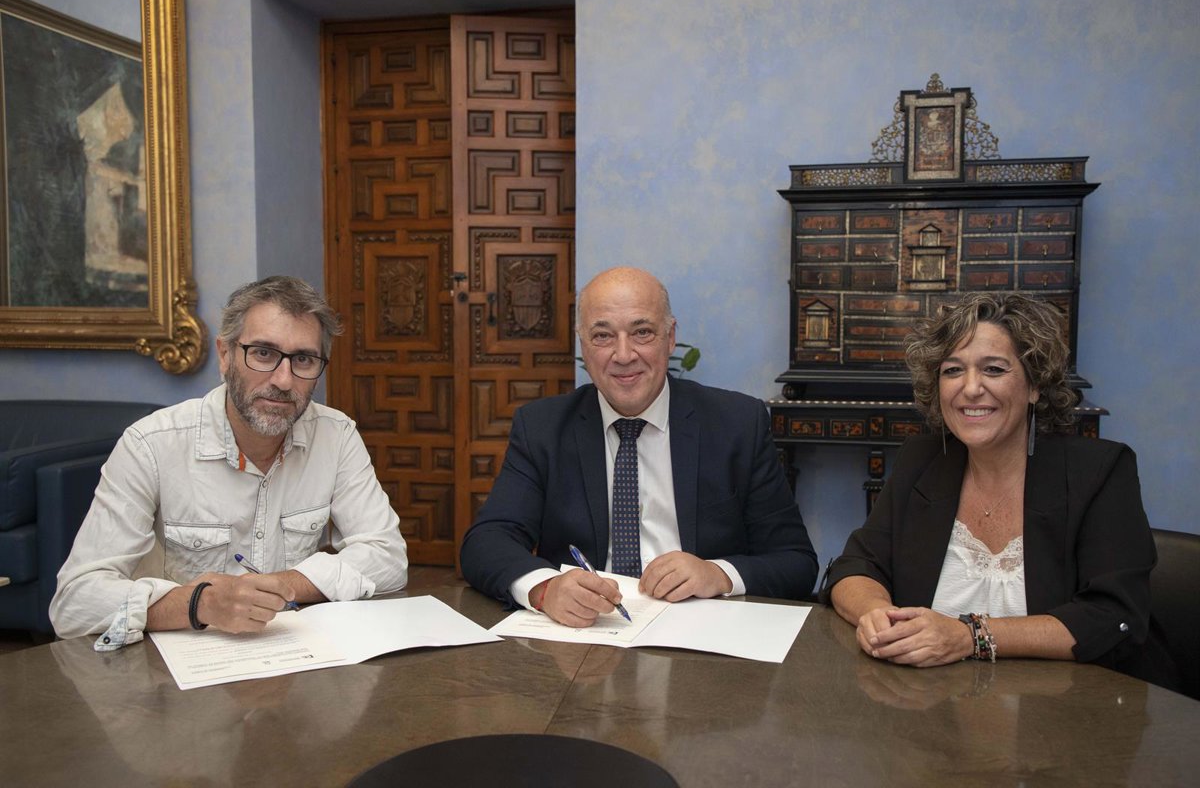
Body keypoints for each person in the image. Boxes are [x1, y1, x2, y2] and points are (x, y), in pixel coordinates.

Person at [824, 292, 1174, 685]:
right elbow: (856, 566)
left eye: (993, 369)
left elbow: (1114, 617)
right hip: (929, 706)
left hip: (1068, 709)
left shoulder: (1099, 472)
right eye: (953, 370)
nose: (971, 388)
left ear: (1034, 385)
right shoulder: (921, 461)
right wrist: (875, 614)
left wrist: (969, 636)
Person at [51, 276, 409, 648]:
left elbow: (387, 557)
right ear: (225, 356)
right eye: (263, 353)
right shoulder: (151, 445)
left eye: (303, 359)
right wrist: (199, 604)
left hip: (294, 656)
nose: (284, 380)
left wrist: (284, 584)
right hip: (174, 669)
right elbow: (74, 604)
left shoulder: (336, 435)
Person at [460, 266, 817, 627]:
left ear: (670, 337)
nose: (624, 354)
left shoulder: (737, 424)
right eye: (603, 336)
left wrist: (718, 574)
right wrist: (545, 588)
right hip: (585, 634)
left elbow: (796, 562)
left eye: (642, 332)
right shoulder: (542, 428)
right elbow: (486, 542)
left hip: (701, 635)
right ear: (583, 345)